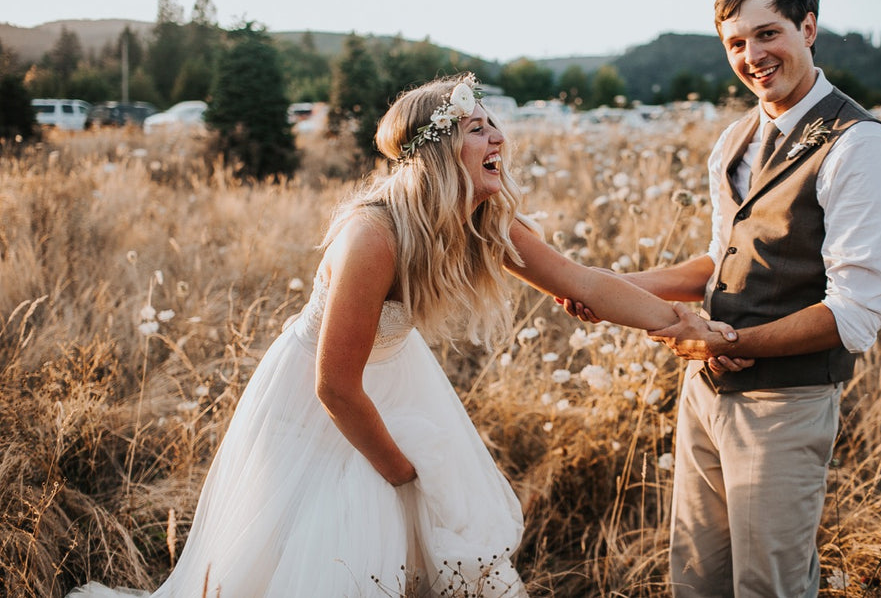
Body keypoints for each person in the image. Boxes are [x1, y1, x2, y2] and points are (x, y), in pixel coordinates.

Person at [67, 74, 735, 598]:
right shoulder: (374, 232)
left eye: (494, 123)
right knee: (333, 553)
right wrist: (401, 473)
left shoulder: (483, 215)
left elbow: (582, 283)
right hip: (322, 402)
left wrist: (683, 324)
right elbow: (334, 385)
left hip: (397, 380)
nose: (499, 137)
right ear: (441, 150)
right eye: (479, 128)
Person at [562, 0, 881, 596]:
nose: (752, 55)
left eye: (767, 33)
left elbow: (856, 312)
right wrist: (612, 284)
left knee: (767, 586)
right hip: (703, 390)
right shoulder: (734, 139)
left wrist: (729, 345)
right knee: (696, 578)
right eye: (735, 43)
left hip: (786, 403)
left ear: (808, 28)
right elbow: (722, 261)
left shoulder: (860, 145)